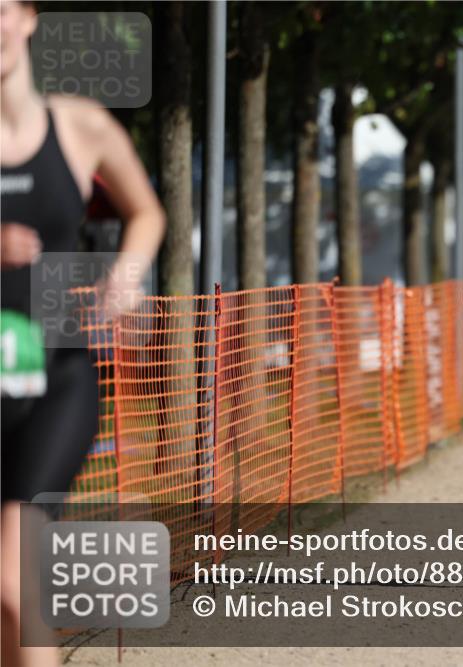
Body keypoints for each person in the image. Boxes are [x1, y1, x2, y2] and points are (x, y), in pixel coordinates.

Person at [0, 2, 166, 663]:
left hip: (56, 376)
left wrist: (124, 276)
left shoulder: (78, 124)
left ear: (28, 19)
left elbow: (146, 210)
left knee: (14, 574)